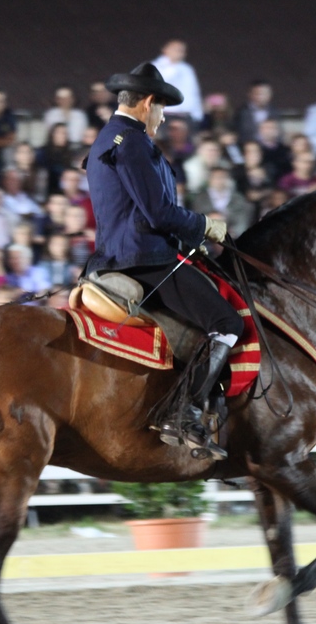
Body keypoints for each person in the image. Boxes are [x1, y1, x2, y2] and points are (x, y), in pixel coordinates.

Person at [85, 61, 237, 458]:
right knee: (226, 322)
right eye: (162, 108)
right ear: (147, 103)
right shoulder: (132, 141)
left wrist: (190, 240)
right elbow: (157, 213)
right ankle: (182, 413)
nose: (163, 116)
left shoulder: (107, 138)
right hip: (145, 258)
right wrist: (204, 225)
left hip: (124, 252)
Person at [150, 40, 202, 123]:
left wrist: (198, 114)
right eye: (176, 50)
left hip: (186, 116)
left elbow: (193, 92)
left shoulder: (187, 69)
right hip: (164, 115)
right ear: (165, 49)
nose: (179, 53)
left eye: (182, 51)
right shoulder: (154, 66)